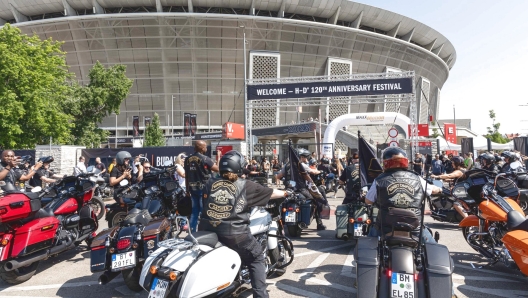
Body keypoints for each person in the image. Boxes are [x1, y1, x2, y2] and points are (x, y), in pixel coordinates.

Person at [199, 151, 288, 298]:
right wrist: (285, 193)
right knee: (257, 256)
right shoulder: (246, 185)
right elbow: (271, 193)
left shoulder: (209, 182)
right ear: (240, 167)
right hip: (234, 234)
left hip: (207, 231)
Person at [365, 147, 441, 241]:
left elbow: (368, 201)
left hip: (385, 228)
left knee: (368, 244)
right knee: (432, 246)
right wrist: (440, 189)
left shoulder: (379, 180)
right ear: (405, 161)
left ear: (385, 162)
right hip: (414, 229)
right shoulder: (417, 178)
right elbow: (433, 190)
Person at [276, 148, 328, 230]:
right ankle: (319, 223)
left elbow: (278, 176)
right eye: (304, 157)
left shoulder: (286, 165)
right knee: (316, 198)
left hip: (289, 190)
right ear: (300, 157)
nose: (306, 159)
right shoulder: (301, 165)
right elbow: (313, 172)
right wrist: (320, 171)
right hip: (301, 190)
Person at [185, 140, 219, 232]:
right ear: (201, 148)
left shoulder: (187, 159)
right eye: (205, 146)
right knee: (204, 211)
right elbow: (217, 169)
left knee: (194, 212)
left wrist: (187, 189)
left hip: (192, 188)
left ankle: (192, 232)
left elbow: (187, 176)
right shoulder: (205, 159)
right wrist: (218, 157)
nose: (206, 148)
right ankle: (204, 231)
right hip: (203, 189)